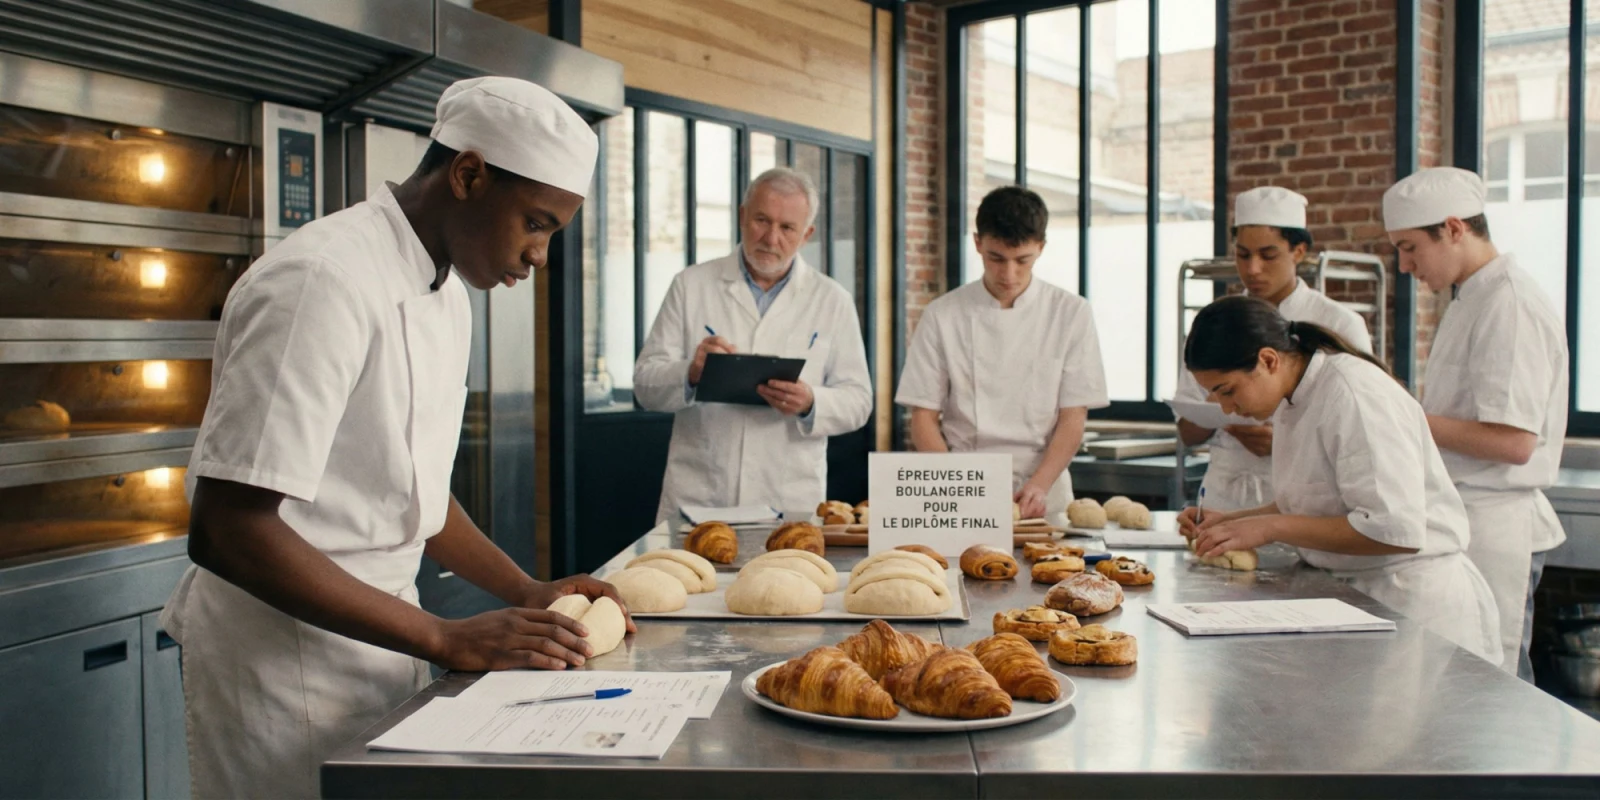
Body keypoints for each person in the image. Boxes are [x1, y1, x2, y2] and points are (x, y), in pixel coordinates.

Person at [162, 77, 631, 799]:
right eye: (536, 223)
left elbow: (414, 490)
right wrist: (446, 637)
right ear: (469, 174)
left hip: (386, 642)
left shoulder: (449, 291)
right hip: (283, 667)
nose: (540, 255)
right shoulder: (320, 281)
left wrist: (526, 590)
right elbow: (228, 529)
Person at [1179, 295, 1501, 665]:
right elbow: (1313, 500)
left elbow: (1393, 529)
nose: (1226, 409)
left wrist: (1270, 528)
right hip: (1360, 598)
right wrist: (1233, 522)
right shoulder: (1294, 398)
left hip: (1410, 601)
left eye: (1228, 391)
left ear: (1268, 360)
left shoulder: (1352, 392)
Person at [1384, 167, 1569, 680]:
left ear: (1454, 228)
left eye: (1410, 247)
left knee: (1494, 685)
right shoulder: (1473, 297)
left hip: (1496, 525)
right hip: (1464, 516)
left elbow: (1513, 442)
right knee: (1462, 682)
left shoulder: (1508, 302)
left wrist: (1406, 415)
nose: (1404, 265)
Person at [633, 167, 872, 524]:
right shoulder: (690, 285)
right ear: (743, 216)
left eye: (787, 227)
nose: (771, 237)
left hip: (788, 500)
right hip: (698, 496)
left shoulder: (832, 300)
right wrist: (691, 372)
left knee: (782, 580)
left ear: (806, 234)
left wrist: (810, 401)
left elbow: (859, 401)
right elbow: (645, 385)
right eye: (762, 220)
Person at [895, 186, 1108, 524]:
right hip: (961, 485)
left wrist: (1038, 485)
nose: (1009, 275)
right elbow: (923, 416)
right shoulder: (943, 314)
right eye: (996, 258)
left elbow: (1073, 416)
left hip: (1043, 489)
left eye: (1022, 260)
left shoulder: (1070, 312)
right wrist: (958, 486)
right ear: (978, 243)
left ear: (1041, 247)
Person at [1173, 186, 1372, 512]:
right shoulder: (1216, 323)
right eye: (1242, 255)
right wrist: (1219, 402)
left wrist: (1283, 442)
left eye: (1268, 256)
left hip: (1299, 494)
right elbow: (1187, 432)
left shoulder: (1339, 324)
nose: (1252, 269)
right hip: (1224, 492)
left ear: (1299, 251)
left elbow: (1354, 433)